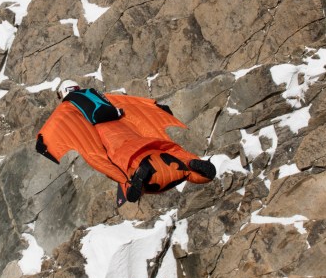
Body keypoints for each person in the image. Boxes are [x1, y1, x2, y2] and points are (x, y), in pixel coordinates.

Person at [36, 80, 216, 205]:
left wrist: (43, 142)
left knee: (118, 159)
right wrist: (155, 107)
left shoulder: (67, 108)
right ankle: (191, 162)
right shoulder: (101, 96)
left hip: (107, 136)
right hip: (129, 131)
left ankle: (133, 180)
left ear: (63, 93)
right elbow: (131, 102)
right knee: (159, 148)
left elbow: (56, 126)